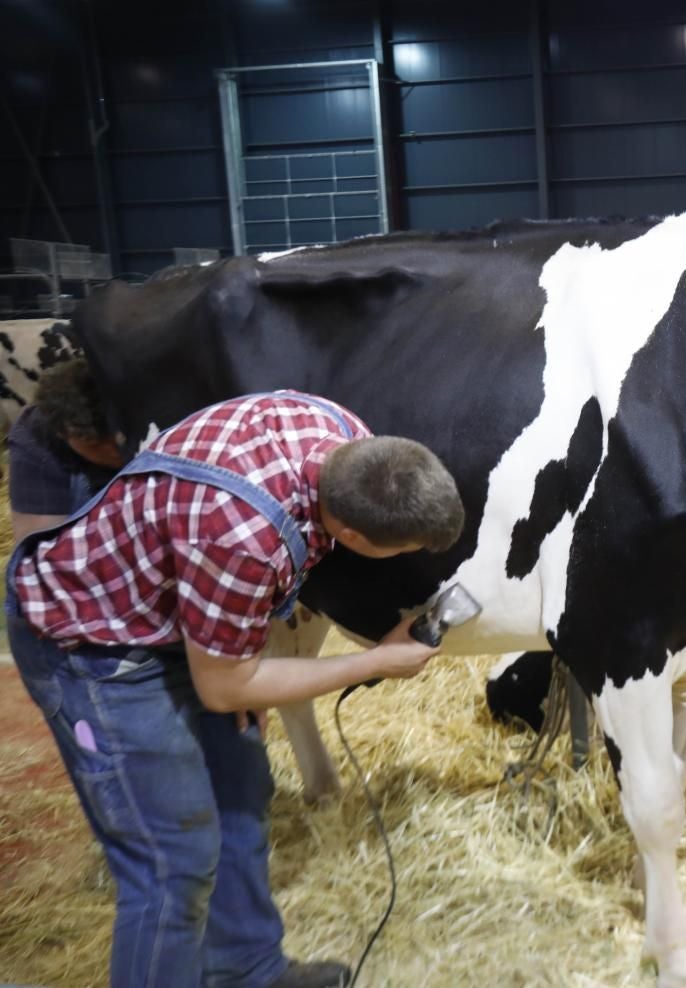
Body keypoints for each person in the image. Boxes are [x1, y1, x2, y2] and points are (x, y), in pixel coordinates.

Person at [6, 389, 466, 988]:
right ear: (351, 535)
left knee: (243, 794)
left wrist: (236, 666)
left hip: (183, 618)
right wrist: (377, 661)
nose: (404, 558)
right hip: (94, 647)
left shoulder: (339, 428)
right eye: (400, 550)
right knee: (172, 864)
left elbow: (234, 657)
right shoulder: (242, 535)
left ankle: (247, 970)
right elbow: (225, 687)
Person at [7, 357, 125, 539]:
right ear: (62, 434)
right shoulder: (36, 435)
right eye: (94, 444)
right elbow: (40, 549)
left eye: (121, 438)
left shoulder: (147, 401)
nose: (116, 452)